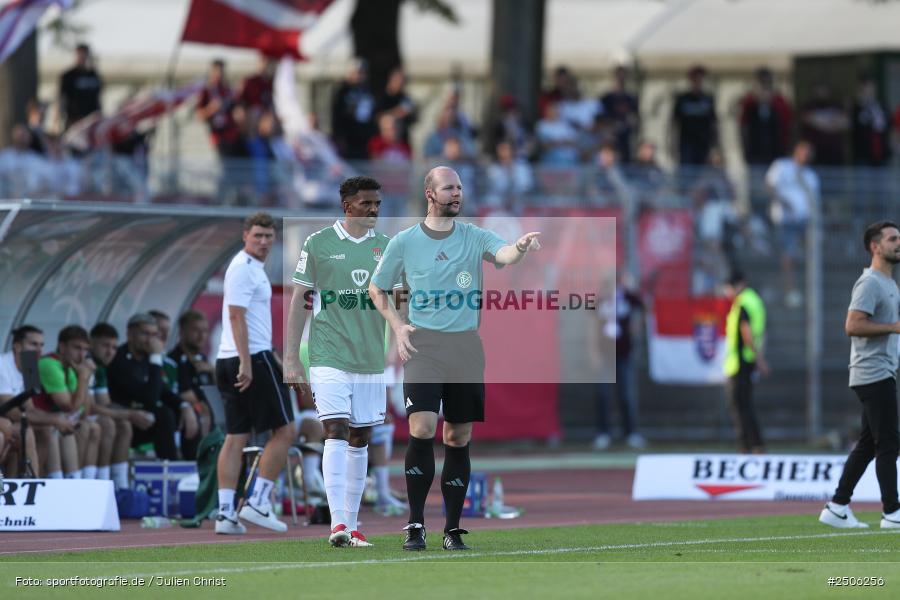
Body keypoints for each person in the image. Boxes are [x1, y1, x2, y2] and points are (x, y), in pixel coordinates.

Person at [368, 166, 541, 551]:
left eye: (460, 187)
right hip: (423, 344)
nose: (457, 193)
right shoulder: (405, 241)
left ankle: (452, 529)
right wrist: (398, 327)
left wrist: (521, 247)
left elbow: (505, 253)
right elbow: (376, 288)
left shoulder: (474, 235)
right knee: (423, 429)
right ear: (430, 193)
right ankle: (414, 525)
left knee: (457, 436)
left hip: (464, 346)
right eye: (449, 187)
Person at [284, 176, 399, 548]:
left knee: (361, 435)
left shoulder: (387, 247)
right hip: (327, 353)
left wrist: (402, 339)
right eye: (367, 203)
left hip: (369, 358)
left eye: (378, 204)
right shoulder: (318, 244)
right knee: (333, 428)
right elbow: (298, 299)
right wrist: (291, 358)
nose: (374, 210)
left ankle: (352, 524)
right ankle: (336, 525)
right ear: (348, 205)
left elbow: (399, 300)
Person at [215, 212, 295, 535]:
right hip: (247, 358)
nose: (263, 242)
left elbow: (249, 320)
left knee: (236, 436)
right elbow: (235, 317)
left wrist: (273, 359)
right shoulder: (243, 269)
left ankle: (225, 515)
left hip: (236, 357)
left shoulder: (252, 269)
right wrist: (248, 362)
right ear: (245, 235)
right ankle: (259, 502)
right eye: (258, 235)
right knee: (286, 431)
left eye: (268, 237)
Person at [819, 222, 900, 530]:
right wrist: (892, 328)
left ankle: (837, 506)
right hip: (872, 371)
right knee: (888, 443)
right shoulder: (869, 283)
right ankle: (893, 512)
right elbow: (852, 326)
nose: (898, 243)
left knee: (869, 443)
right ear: (875, 247)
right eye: (892, 239)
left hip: (883, 370)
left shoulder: (890, 284)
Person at [89, 323, 153, 489]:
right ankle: (101, 485)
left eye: (114, 347)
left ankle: (120, 486)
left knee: (124, 425)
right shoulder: (88, 365)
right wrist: (130, 414)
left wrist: (129, 414)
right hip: (72, 418)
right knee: (108, 424)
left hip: (85, 415)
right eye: (105, 345)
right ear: (91, 344)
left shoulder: (101, 369)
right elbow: (89, 408)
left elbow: (104, 404)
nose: (110, 351)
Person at [107, 313, 180, 460]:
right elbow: (150, 399)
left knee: (183, 412)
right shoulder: (119, 358)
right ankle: (169, 467)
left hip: (143, 419)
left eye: (154, 334)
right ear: (130, 335)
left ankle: (195, 466)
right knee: (164, 415)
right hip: (123, 418)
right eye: (145, 334)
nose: (151, 340)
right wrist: (156, 358)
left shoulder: (147, 357)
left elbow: (164, 391)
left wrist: (185, 406)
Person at [33, 325, 101, 479]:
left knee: (90, 427)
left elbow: (85, 411)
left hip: (52, 419)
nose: (82, 355)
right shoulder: (50, 364)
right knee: (60, 427)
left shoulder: (70, 368)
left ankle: (80, 480)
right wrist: (84, 376)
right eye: (77, 348)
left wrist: (87, 380)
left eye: (85, 350)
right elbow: (69, 406)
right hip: (37, 419)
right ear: (62, 347)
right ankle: (60, 481)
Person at [588, 274, 645, 450]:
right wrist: (592, 352)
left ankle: (631, 433)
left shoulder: (628, 297)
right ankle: (603, 433)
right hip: (605, 354)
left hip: (623, 353)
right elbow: (592, 325)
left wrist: (636, 328)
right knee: (603, 395)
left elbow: (643, 308)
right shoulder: (600, 300)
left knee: (627, 394)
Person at [765, 140, 819, 307]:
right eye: (804, 150)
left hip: (805, 223)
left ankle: (808, 291)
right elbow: (769, 186)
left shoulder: (811, 176)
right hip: (784, 221)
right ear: (796, 150)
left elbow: (814, 202)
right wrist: (782, 201)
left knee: (808, 255)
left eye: (809, 152)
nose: (806, 155)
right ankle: (790, 292)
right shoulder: (781, 166)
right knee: (787, 256)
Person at [723, 271, 769, 454]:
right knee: (746, 404)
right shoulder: (755, 301)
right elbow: (762, 333)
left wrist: (760, 359)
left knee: (739, 405)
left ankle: (746, 445)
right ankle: (755, 443)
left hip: (740, 362)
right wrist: (759, 357)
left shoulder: (742, 303)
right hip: (748, 361)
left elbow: (746, 332)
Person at [168, 310, 214, 461]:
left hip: (205, 411)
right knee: (199, 414)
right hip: (183, 411)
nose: (201, 336)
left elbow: (216, 390)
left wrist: (212, 371)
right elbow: (185, 394)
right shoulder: (174, 359)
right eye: (196, 330)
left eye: (205, 331)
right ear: (182, 332)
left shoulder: (202, 358)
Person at [0, 325, 43, 477]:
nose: (39, 349)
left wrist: (56, 421)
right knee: (25, 433)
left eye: (41, 345)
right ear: (17, 347)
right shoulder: (2, 365)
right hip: (5, 421)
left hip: (9, 422)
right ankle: (31, 485)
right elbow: (11, 411)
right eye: (33, 344)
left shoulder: (31, 366)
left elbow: (28, 408)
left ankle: (43, 482)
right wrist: (56, 420)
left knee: (46, 431)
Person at [738, 67, 792, 166]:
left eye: (768, 83)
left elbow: (787, 121)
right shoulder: (749, 102)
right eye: (762, 82)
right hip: (755, 152)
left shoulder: (778, 101)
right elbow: (742, 124)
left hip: (776, 151)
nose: (765, 86)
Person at [671, 65, 717, 166]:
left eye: (700, 79)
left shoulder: (708, 99)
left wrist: (715, 146)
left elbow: (714, 123)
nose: (698, 81)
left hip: (704, 144)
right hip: (686, 144)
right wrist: (672, 145)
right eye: (695, 79)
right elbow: (674, 122)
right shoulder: (682, 99)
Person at [59, 43, 103, 131]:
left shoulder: (94, 75)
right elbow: (62, 98)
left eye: (85, 54)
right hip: (74, 120)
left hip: (92, 120)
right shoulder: (68, 76)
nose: (83, 58)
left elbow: (98, 96)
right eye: (80, 54)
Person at [600, 66, 640, 163]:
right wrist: (613, 126)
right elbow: (601, 119)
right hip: (611, 140)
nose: (621, 78)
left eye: (623, 76)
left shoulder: (631, 98)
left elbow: (635, 118)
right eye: (619, 76)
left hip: (626, 139)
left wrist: (630, 123)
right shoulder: (606, 98)